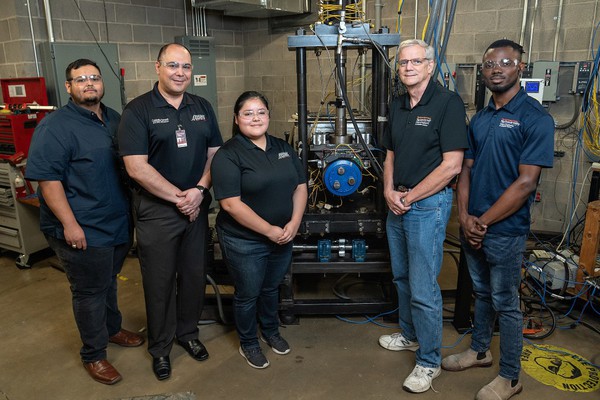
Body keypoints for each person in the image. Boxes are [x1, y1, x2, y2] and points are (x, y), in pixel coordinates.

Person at [441, 39, 554, 400]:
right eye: (489, 63)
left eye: (505, 62)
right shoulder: (482, 118)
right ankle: (479, 350)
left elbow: (526, 182)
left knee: (506, 301)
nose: (496, 69)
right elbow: (466, 171)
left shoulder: (535, 118)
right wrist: (464, 217)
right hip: (475, 223)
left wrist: (483, 221)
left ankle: (510, 376)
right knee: (482, 292)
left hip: (504, 229)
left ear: (521, 67)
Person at [25, 59, 144, 385]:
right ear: (69, 87)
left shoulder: (113, 119)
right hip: (82, 226)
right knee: (89, 291)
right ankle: (94, 354)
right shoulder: (55, 126)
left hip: (116, 221)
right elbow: (48, 181)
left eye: (94, 78)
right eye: (80, 80)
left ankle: (112, 328)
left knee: (108, 281)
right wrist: (70, 225)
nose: (89, 84)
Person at [118, 43, 223, 380]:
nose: (180, 73)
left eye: (186, 67)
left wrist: (200, 191)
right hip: (157, 211)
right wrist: (182, 198)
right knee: (159, 282)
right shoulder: (138, 110)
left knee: (193, 277)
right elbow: (136, 168)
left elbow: (214, 156)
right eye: (173, 65)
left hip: (196, 208)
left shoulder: (202, 107)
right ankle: (160, 348)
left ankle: (187, 334)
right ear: (157, 67)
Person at [378, 39, 468, 393]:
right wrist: (388, 192)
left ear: (431, 66)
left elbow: (452, 166)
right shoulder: (398, 104)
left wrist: (409, 197)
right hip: (397, 201)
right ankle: (411, 336)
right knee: (401, 277)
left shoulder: (447, 103)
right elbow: (389, 154)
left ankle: (429, 361)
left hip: (427, 206)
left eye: (417, 61)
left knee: (423, 287)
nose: (409, 67)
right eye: (403, 63)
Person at [211, 91, 307, 369]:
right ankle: (249, 342)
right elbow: (230, 204)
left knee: (271, 288)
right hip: (245, 241)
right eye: (248, 113)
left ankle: (270, 330)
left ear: (268, 115)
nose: (256, 118)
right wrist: (269, 231)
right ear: (236, 118)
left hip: (283, 235)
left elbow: (300, 186)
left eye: (261, 112)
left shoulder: (282, 147)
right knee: (248, 293)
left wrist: (294, 223)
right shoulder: (228, 155)